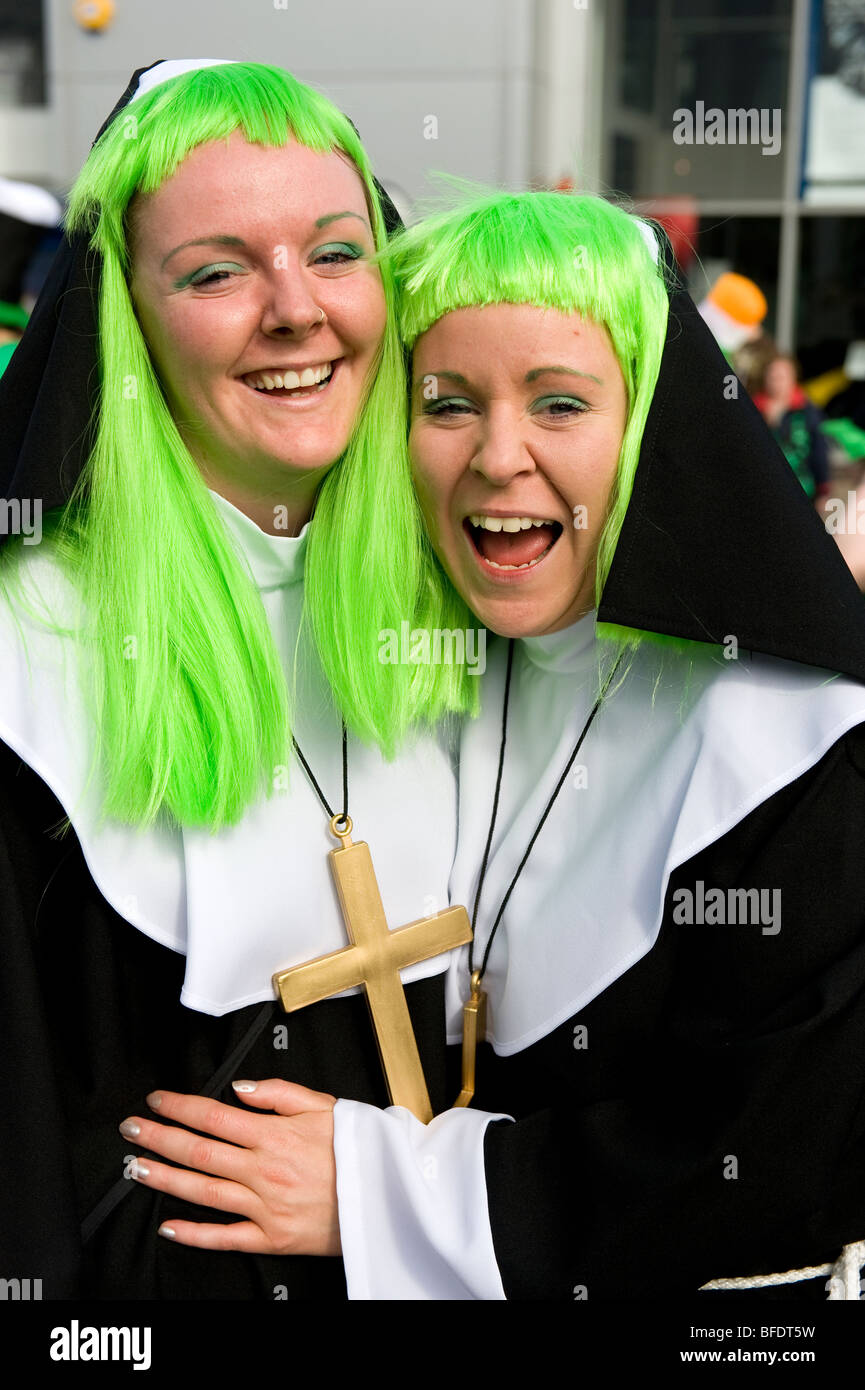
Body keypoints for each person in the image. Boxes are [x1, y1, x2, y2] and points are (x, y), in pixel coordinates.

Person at [306, 188, 865, 1300]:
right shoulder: (413, 685)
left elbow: (777, 1159)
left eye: (559, 403)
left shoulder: (800, 738)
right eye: (446, 402)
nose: (497, 455)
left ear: (655, 423)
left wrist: (378, 1189)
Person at [0, 59, 479, 1299]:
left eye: (334, 252)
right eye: (215, 271)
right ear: (128, 324)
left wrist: (400, 1202)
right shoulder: (24, 643)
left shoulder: (484, 597)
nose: (293, 311)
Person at [754, 353, 832, 504]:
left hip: (802, 490)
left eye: (781, 377)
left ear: (793, 378)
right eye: (772, 377)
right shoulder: (754, 408)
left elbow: (819, 449)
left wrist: (823, 488)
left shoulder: (807, 410)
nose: (776, 382)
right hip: (763, 490)